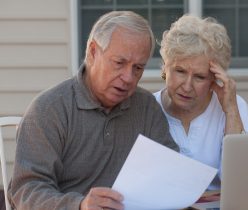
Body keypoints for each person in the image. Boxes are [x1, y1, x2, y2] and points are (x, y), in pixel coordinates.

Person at [8, 11, 178, 210]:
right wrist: (80, 205)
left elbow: (169, 170)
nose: (129, 77)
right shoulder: (49, 110)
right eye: (119, 63)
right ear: (92, 52)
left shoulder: (146, 107)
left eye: (138, 68)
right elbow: (25, 191)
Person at [154, 15, 248, 191]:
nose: (187, 86)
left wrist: (230, 111)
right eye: (180, 71)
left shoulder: (233, 106)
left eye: (200, 77)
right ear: (164, 67)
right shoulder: (148, 108)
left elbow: (242, 180)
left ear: (214, 79)